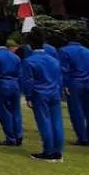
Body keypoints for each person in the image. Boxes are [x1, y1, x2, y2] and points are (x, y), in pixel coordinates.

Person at [19, 29, 64, 162]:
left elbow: (28, 81)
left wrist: (28, 96)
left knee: (44, 122)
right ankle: (58, 151)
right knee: (57, 121)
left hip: (40, 94)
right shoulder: (53, 60)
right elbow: (59, 78)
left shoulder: (29, 61)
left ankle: (48, 151)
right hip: (54, 92)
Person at [59, 35, 89, 146]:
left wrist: (64, 84)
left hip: (74, 83)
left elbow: (64, 69)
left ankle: (82, 137)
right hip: (88, 82)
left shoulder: (64, 51)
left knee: (76, 111)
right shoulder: (88, 51)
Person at [0, 42, 24, 146]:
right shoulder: (15, 57)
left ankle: (11, 138)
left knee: (4, 112)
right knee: (16, 111)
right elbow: (20, 74)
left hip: (2, 84)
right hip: (15, 85)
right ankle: (19, 134)